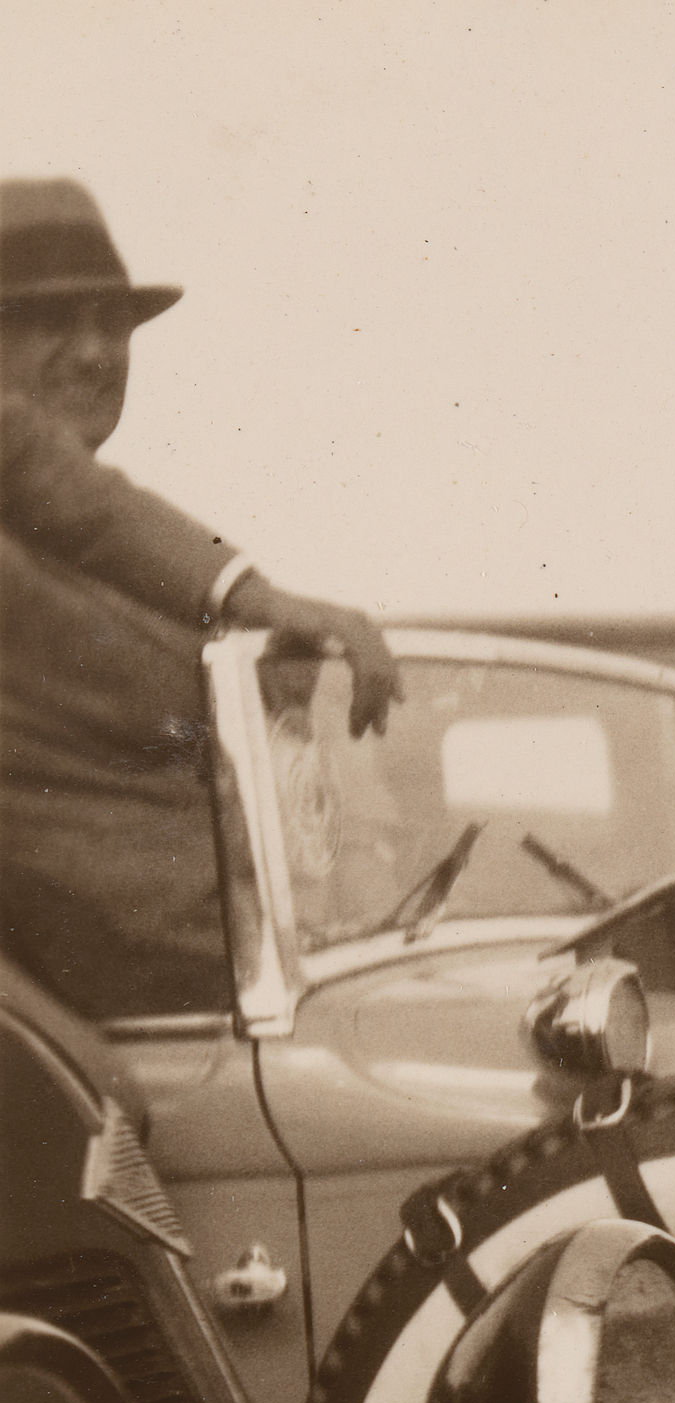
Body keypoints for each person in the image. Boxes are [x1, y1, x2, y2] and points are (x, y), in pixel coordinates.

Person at [2, 176, 404, 1018]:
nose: (93, 352)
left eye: (111, 323)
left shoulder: (162, 571)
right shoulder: (159, 563)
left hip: (238, 1014)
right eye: (48, 321)